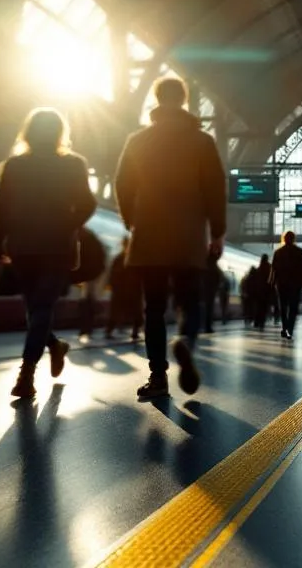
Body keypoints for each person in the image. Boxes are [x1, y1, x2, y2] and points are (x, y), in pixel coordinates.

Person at [114, 75, 226, 399]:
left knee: (154, 308)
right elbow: (215, 189)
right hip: (189, 236)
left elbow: (122, 183)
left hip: (149, 234)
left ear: (157, 98)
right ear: (184, 100)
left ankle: (158, 377)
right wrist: (216, 232)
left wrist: (131, 220)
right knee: (190, 302)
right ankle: (185, 342)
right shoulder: (202, 142)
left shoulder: (137, 141)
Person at [0, 109, 97, 398]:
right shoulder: (74, 165)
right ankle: (54, 346)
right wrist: (67, 224)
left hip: (23, 246)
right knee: (39, 308)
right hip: (57, 247)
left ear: (28, 131)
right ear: (59, 132)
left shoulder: (14, 165)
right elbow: (88, 203)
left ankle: (26, 374)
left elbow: (0, 207)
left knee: (36, 308)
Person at [271, 231, 302, 340]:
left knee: (283, 307)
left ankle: (284, 327)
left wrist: (272, 283)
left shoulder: (278, 252)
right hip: (295, 284)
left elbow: (273, 269)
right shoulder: (299, 251)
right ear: (293, 239)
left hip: (281, 284)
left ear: (284, 238)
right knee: (293, 308)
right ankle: (289, 329)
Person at [106, 237, 142, 340]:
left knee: (118, 311)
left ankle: (111, 330)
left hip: (125, 290)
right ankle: (111, 330)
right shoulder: (133, 259)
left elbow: (113, 275)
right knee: (131, 311)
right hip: (128, 289)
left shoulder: (119, 258)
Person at [76, 227, 106, 337]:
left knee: (86, 302)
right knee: (88, 302)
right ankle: (86, 328)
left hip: (90, 276)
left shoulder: (85, 240)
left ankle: (85, 328)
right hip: (92, 275)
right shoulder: (94, 242)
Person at [253, 254, 274, 330]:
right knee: (264, 308)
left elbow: (255, 282)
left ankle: (256, 322)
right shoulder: (269, 268)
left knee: (258, 307)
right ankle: (261, 323)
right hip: (266, 292)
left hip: (258, 292)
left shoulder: (258, 268)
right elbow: (272, 280)